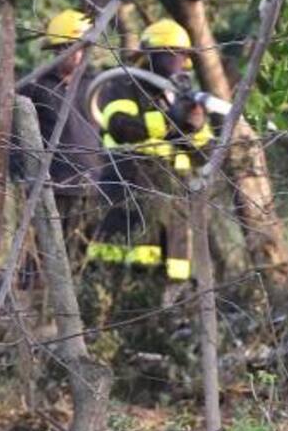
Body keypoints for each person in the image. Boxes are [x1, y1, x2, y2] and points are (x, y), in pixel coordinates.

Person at [87, 18, 215, 303]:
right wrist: (172, 121)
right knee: (122, 266)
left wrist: (190, 127)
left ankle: (165, 315)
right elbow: (121, 127)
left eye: (180, 54)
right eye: (169, 52)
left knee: (173, 268)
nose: (176, 60)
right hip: (129, 187)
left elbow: (205, 151)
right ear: (150, 55)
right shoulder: (124, 85)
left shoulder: (183, 96)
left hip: (175, 199)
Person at [17, 9, 104, 251]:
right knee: (42, 255)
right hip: (50, 188)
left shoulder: (97, 85)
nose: (78, 55)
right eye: (69, 48)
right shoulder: (35, 87)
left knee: (80, 258)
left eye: (82, 48)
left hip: (91, 187)